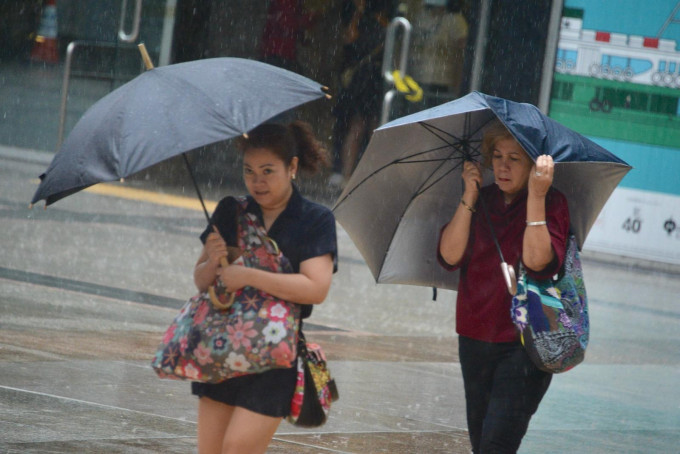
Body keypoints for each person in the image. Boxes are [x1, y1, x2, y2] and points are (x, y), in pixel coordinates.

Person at [191, 121, 337, 454]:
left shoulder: (315, 220)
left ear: (293, 167)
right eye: (249, 171)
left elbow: (316, 288)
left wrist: (249, 276)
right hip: (223, 346)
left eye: (268, 171)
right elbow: (201, 281)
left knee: (238, 447)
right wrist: (213, 262)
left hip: (276, 355)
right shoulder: (232, 210)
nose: (258, 181)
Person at [437, 121, 570, 453]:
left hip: (526, 342)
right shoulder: (480, 200)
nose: (502, 166)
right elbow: (449, 255)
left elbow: (539, 261)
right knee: (480, 440)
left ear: (533, 163)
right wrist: (468, 196)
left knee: (497, 444)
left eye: (514, 158)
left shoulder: (552, 203)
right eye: (496, 156)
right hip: (474, 336)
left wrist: (536, 197)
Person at [331, 0, 392, 185]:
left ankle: (367, 176)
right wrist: (358, 12)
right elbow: (349, 37)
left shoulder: (383, 15)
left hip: (376, 77)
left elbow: (390, 33)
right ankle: (347, 175)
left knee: (373, 127)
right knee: (357, 126)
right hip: (362, 78)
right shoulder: (353, 14)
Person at [408, 0, 468, 108]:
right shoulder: (421, 17)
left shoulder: (455, 20)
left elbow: (463, 50)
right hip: (417, 75)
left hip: (443, 80)